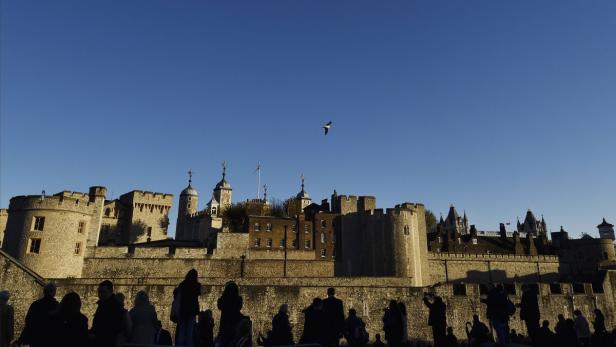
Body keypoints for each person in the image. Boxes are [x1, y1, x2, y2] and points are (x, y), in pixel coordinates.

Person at [16, 282, 59, 347]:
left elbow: (28, 320)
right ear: (53, 292)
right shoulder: (56, 306)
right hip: (50, 339)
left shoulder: (36, 304)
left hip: (35, 338)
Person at [90, 280, 125, 347]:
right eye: (99, 292)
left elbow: (113, 329)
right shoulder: (102, 304)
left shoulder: (114, 307)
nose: (100, 294)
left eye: (103, 292)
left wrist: (95, 335)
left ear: (111, 292)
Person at [177, 269, 202, 346]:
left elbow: (177, 292)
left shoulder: (183, 284)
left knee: (182, 330)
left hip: (183, 309)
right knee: (190, 331)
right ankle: (189, 344)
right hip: (192, 310)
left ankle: (180, 344)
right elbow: (199, 293)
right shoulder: (197, 285)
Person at [217, 281, 244, 347]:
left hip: (225, 322)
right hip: (236, 321)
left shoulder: (223, 299)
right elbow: (239, 307)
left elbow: (220, 306)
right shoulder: (238, 299)